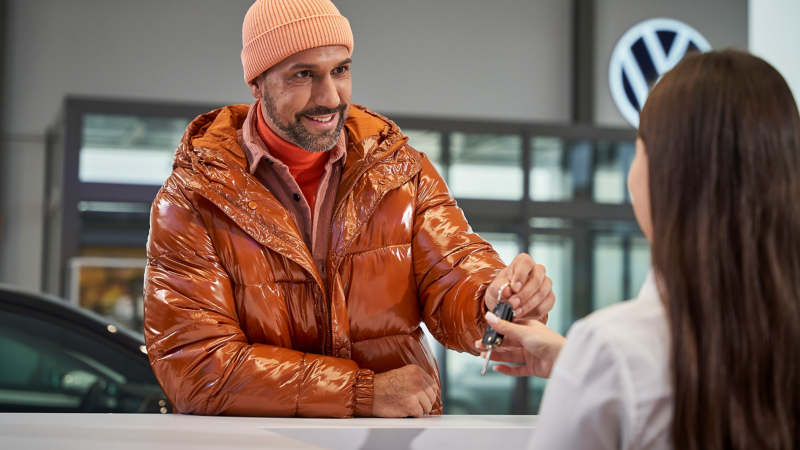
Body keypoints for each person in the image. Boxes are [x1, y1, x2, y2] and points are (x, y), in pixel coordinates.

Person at [143, 0, 555, 418]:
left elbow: (453, 272)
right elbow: (195, 367)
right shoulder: (193, 198)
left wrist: (492, 297)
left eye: (340, 70)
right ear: (257, 82)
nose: (329, 97)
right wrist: (360, 392)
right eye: (303, 74)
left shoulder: (400, 171)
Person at [480, 50, 800, 449]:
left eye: (640, 146)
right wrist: (575, 362)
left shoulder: (610, 346)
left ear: (666, 173)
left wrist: (589, 367)